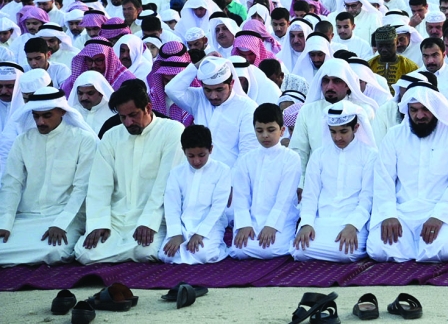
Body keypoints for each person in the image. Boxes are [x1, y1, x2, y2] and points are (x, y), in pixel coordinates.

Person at [76, 82, 186, 264]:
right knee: (85, 254)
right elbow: (99, 185)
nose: (128, 122)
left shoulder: (172, 131)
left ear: (148, 108)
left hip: (156, 218)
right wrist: (99, 223)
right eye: (122, 117)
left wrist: (149, 221)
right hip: (117, 219)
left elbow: (165, 184)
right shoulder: (111, 136)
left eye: (133, 115)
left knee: (147, 252)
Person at [369, 85, 448, 263]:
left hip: (442, 210)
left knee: (445, 250)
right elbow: (383, 178)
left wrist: (439, 216)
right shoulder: (395, 135)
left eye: (425, 109)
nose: (419, 116)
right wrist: (388, 214)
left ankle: (415, 246)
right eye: (414, 110)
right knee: (378, 249)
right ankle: (413, 245)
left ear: (436, 108)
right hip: (402, 211)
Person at [0, 86, 98, 266]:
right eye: (36, 116)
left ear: (61, 111)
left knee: (55, 251)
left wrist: (61, 223)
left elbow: (82, 187)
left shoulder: (83, 140)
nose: (40, 122)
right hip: (25, 216)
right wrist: (5, 223)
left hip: (64, 214)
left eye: (47, 116)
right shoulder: (22, 141)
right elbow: (11, 184)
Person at [292, 102, 377, 262]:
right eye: (333, 132)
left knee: (344, 253)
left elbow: (367, 198)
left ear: (356, 128)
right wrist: (306, 223)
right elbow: (310, 195)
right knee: (299, 251)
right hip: (320, 221)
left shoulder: (370, 155)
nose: (338, 137)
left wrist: (353, 225)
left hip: (351, 220)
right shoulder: (319, 155)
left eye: (343, 131)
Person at [230, 103, 302, 260]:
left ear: (282, 130)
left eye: (271, 130)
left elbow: (285, 197)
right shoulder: (246, 159)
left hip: (281, 219)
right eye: (259, 130)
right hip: (253, 219)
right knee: (239, 250)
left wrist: (272, 225)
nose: (265, 135)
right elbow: (241, 196)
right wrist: (244, 224)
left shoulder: (291, 158)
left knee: (272, 249)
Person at [159, 124, 233, 264]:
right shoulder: (176, 173)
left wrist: (200, 233)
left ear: (210, 149)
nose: (196, 161)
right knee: (166, 255)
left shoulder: (222, 170)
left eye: (201, 155)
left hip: (211, 223)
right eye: (191, 156)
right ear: (183, 151)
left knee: (203, 254)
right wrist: (175, 233)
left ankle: (220, 246)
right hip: (183, 223)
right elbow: (171, 205)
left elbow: (218, 207)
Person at [164, 56, 258, 165]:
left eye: (219, 89)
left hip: (230, 177)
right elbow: (171, 89)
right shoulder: (199, 98)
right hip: (198, 173)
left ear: (231, 84)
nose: (213, 96)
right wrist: (201, 63)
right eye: (207, 90)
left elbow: (248, 152)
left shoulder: (248, 108)